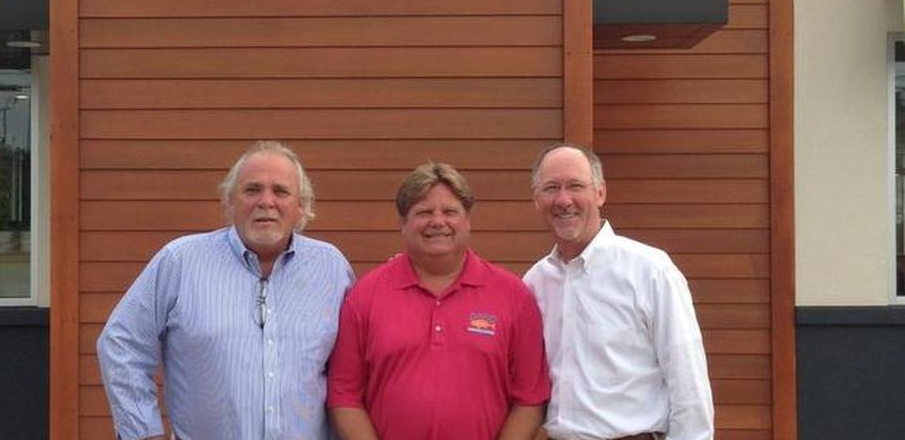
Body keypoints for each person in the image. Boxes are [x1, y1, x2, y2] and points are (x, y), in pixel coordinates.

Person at [97, 140, 355, 440]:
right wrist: (142, 433)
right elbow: (121, 343)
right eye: (252, 190)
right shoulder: (181, 261)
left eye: (281, 191)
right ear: (231, 202)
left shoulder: (331, 268)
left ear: (301, 207)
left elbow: (358, 364)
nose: (266, 202)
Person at [327, 162, 550, 440]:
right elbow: (344, 396)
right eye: (423, 212)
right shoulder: (365, 296)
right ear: (403, 224)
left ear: (467, 221)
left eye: (450, 212)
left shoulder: (514, 296)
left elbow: (530, 398)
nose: (437, 221)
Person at [523, 143, 715, 440]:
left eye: (575, 186)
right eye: (551, 188)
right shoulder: (535, 283)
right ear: (537, 200)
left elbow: (687, 383)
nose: (563, 199)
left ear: (600, 193)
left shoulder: (650, 271)